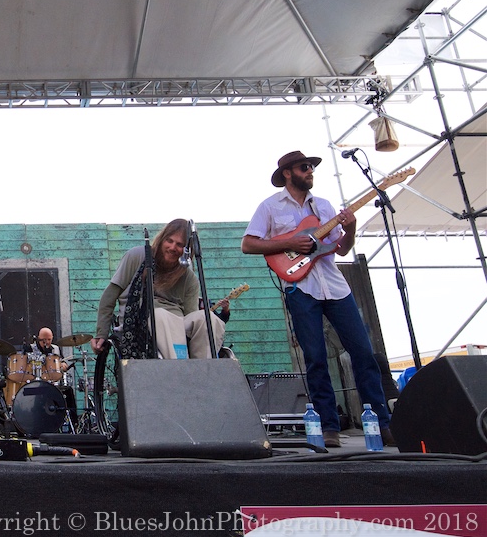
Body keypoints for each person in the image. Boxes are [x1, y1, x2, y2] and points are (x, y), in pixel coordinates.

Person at [241, 151, 395, 448]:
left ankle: (381, 423)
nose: (310, 171)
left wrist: (349, 229)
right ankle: (328, 427)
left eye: (311, 167)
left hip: (336, 286)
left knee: (363, 353)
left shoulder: (324, 206)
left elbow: (341, 249)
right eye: (304, 167)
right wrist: (289, 241)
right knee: (316, 359)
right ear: (288, 173)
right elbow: (248, 243)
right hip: (301, 288)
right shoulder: (270, 207)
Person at [91, 219, 225, 359]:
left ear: (187, 250)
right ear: (161, 240)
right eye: (169, 241)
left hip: (177, 325)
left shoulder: (189, 278)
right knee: (160, 315)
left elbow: (190, 315)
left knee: (209, 319)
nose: (173, 247)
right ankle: (177, 371)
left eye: (179, 245)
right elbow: (109, 296)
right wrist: (101, 333)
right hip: (140, 321)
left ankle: (204, 371)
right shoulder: (136, 256)